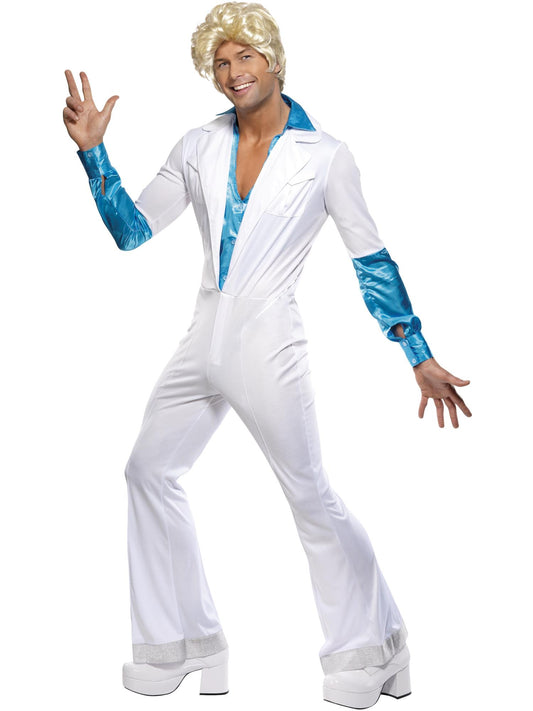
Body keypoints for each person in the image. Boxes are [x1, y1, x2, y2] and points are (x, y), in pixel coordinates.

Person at [63, 2, 471, 708]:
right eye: (220, 63)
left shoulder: (325, 156)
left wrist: (417, 351)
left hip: (268, 342)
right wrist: (93, 154)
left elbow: (370, 260)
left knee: (309, 496)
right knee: (147, 471)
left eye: (244, 57)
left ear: (273, 60)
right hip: (203, 336)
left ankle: (374, 649)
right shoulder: (197, 144)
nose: (232, 73)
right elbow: (131, 231)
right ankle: (185, 641)